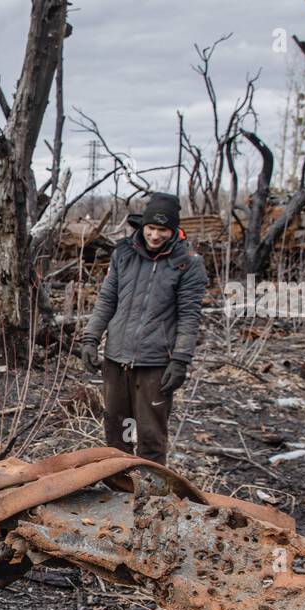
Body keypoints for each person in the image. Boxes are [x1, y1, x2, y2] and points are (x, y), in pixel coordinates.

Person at [79, 193, 206, 466]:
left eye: (163, 230)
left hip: (155, 363)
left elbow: (189, 316)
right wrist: (91, 338)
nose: (155, 235)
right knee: (116, 430)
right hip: (116, 358)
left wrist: (181, 360)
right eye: (151, 228)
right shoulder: (124, 253)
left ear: (173, 231)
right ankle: (118, 486)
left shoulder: (188, 262)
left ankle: (153, 495)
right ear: (142, 225)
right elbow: (107, 299)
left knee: (150, 434)